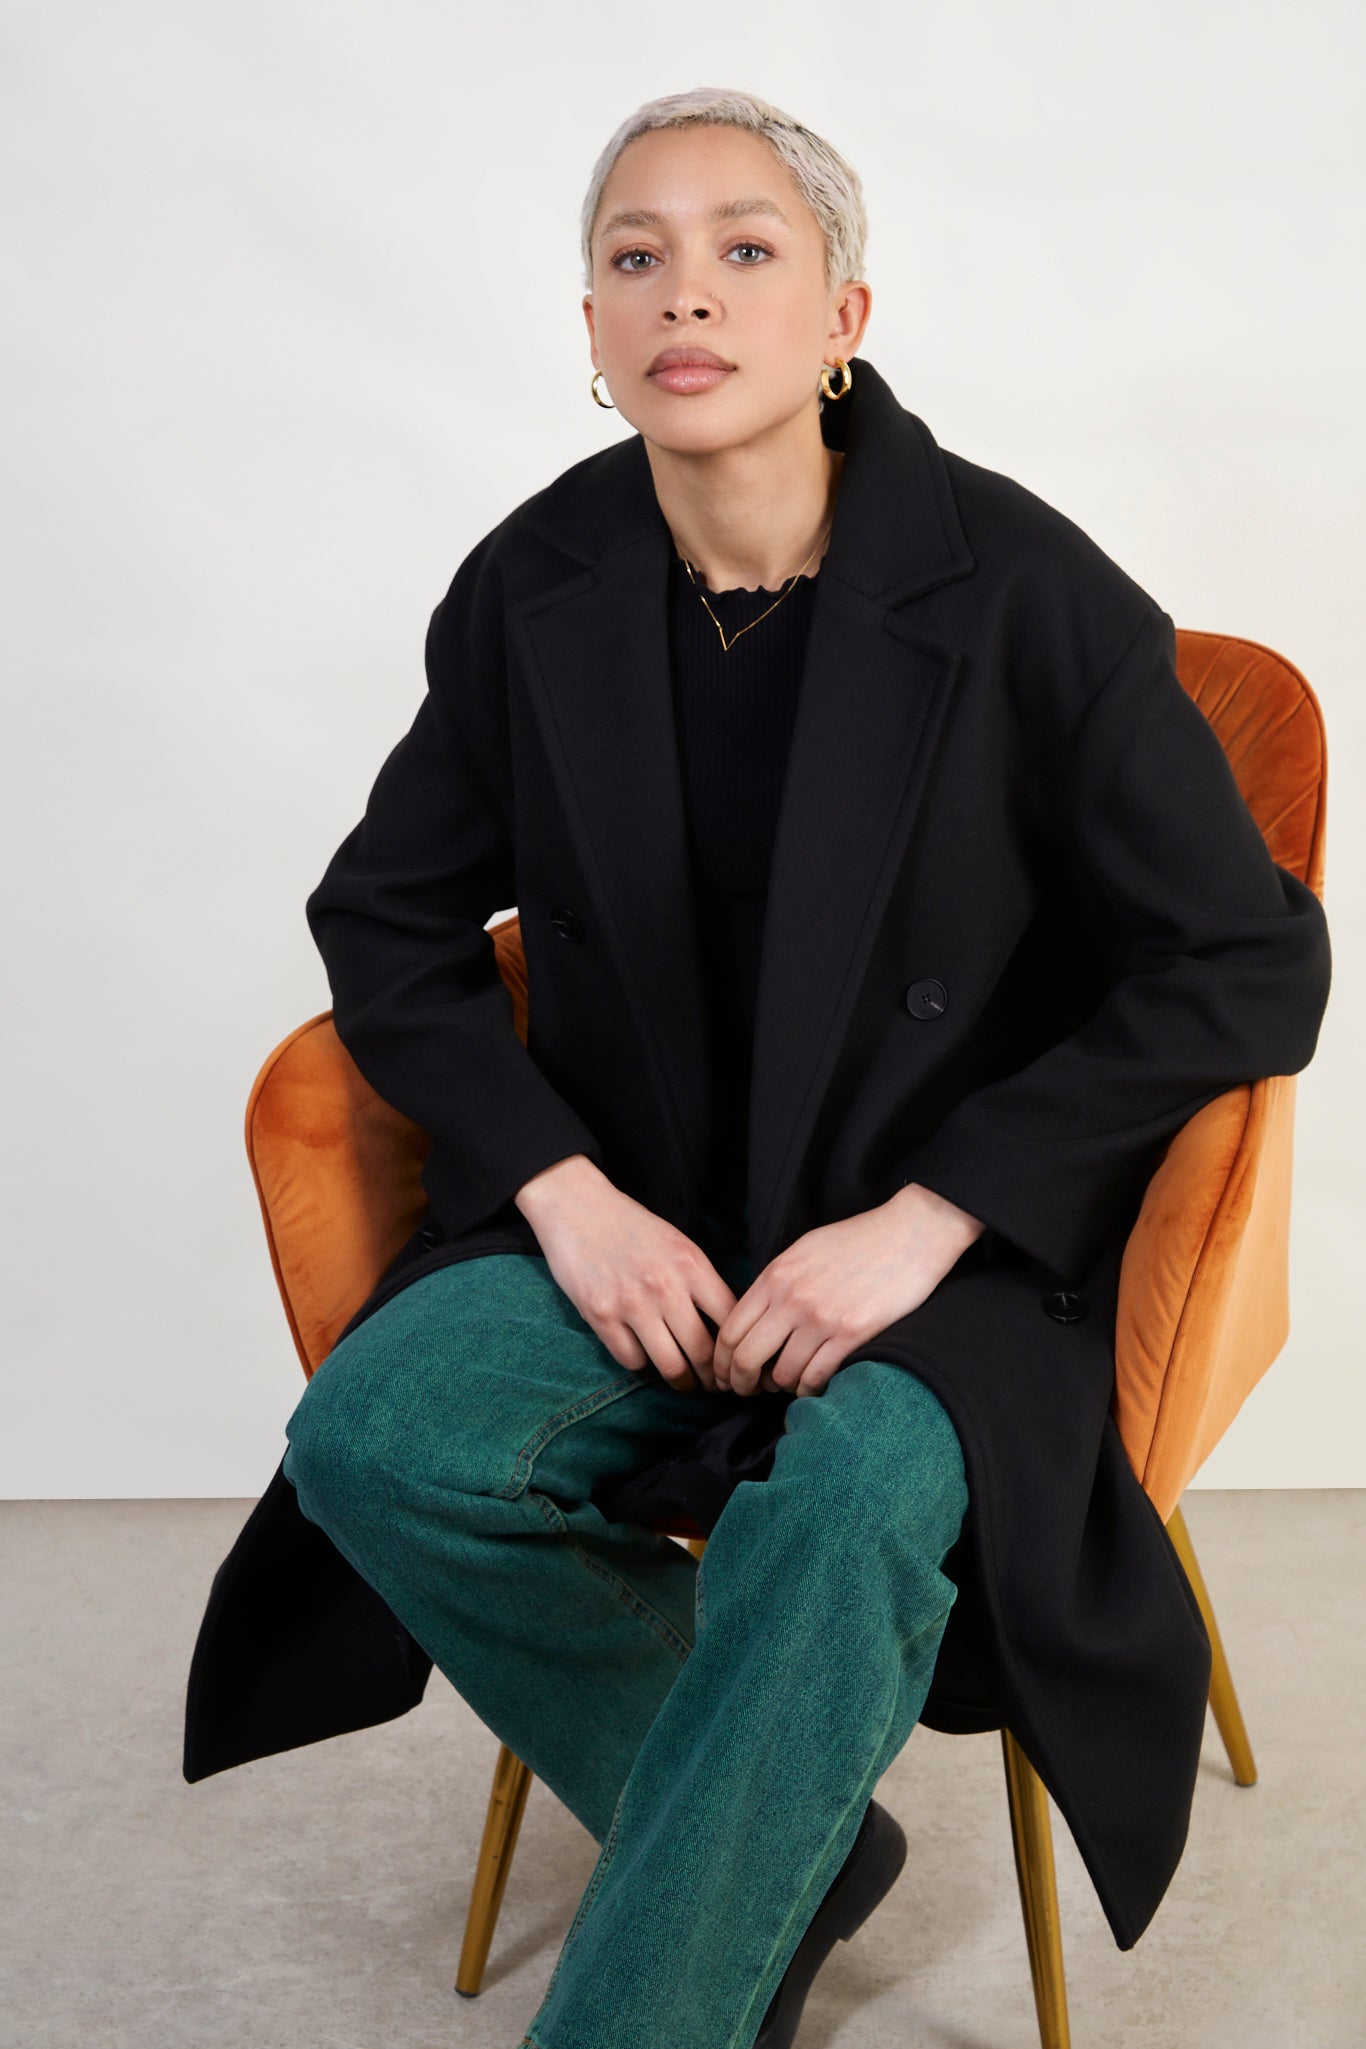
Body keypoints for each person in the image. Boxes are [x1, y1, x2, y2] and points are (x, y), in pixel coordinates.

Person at [258, 84, 1331, 2049]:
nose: (687, 291)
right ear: (592, 328)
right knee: (374, 1435)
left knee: (846, 1502)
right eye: (636, 255)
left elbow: (1244, 956)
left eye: (744, 248)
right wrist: (564, 1196)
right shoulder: (534, 584)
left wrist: (934, 1214)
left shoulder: (1018, 586)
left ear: (841, 315)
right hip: (645, 1209)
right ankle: (790, 1832)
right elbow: (385, 919)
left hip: (964, 1245)